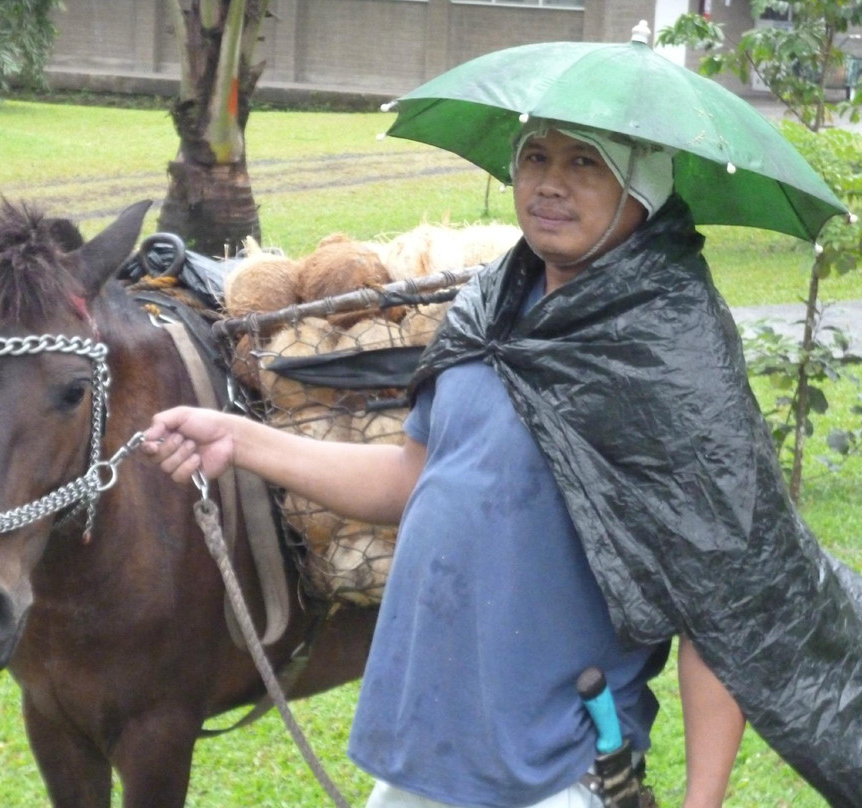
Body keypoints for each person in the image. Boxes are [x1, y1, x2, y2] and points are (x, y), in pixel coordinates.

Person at [143, 116, 752, 808]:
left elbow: (719, 602)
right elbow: (412, 477)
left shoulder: (664, 357)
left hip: (555, 768)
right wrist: (241, 440)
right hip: (429, 752)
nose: (550, 183)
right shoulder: (485, 314)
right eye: (536, 157)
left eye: (586, 162)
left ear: (644, 186)